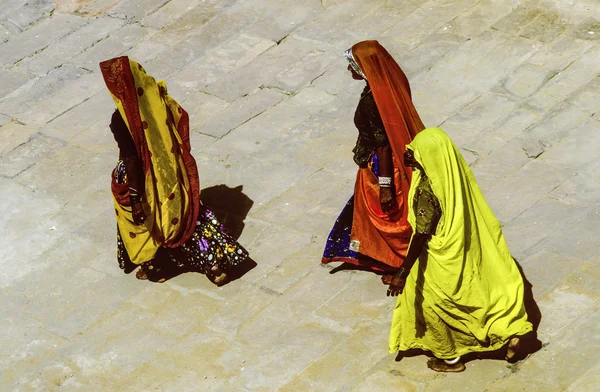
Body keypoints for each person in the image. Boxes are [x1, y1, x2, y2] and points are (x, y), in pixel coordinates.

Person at [383, 127, 533, 372]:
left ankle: (450, 358)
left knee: (436, 307)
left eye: (414, 151)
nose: (407, 154)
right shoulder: (452, 178)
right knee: (479, 299)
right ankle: (509, 334)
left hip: (438, 259)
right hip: (461, 249)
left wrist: (403, 272)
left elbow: (422, 234)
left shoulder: (426, 191)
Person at [100, 56, 248, 284]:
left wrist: (136, 198)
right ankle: (213, 262)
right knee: (186, 216)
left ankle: (155, 266)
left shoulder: (122, 120)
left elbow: (131, 161)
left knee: (144, 227)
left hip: (139, 182)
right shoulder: (155, 101)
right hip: (169, 172)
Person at [322, 40, 425, 271]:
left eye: (353, 65)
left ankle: (397, 262)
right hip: (394, 160)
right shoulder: (387, 85)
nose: (350, 69)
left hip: (382, 168)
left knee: (388, 217)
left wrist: (386, 186)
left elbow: (384, 144)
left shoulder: (373, 101)